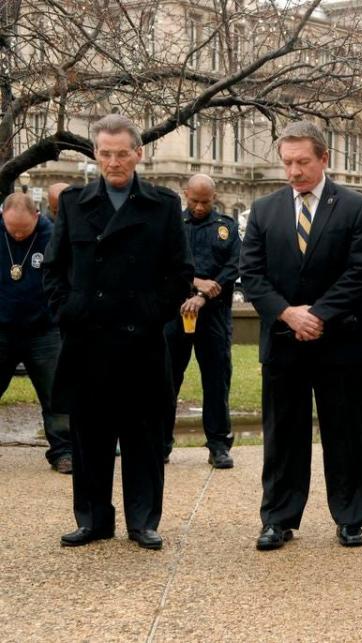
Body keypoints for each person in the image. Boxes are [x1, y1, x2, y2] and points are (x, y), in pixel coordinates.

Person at [44, 113, 193, 551]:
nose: (113, 162)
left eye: (121, 153)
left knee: (143, 436)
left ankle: (143, 521)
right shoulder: (74, 202)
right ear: (96, 155)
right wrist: (68, 310)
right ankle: (92, 520)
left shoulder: (163, 205)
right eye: (105, 154)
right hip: (87, 339)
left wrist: (149, 314)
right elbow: (54, 269)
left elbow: (180, 273)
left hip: (141, 340)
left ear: (138, 154)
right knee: (89, 437)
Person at [239, 121, 362, 551]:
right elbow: (252, 273)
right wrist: (286, 313)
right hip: (283, 342)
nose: (294, 171)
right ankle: (278, 518)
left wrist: (318, 315)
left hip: (341, 340)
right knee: (283, 435)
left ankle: (351, 517)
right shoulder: (264, 210)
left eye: (302, 162)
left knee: (346, 434)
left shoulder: (356, 207)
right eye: (287, 163)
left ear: (324, 159)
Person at [162, 174, 239, 469]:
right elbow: (162, 266)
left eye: (205, 202)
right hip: (175, 314)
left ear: (214, 197)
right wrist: (195, 284)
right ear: (185, 194)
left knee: (217, 381)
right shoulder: (172, 227)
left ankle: (218, 445)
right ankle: (161, 444)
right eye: (194, 200)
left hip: (214, 316)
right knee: (167, 380)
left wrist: (204, 296)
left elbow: (234, 266)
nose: (198, 207)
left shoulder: (226, 229)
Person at [0, 193, 71, 473]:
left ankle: (64, 451)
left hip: (44, 330)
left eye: (24, 230)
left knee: (56, 394)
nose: (18, 235)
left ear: (37, 217)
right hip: (2, 329)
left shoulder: (52, 236)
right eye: (12, 229)